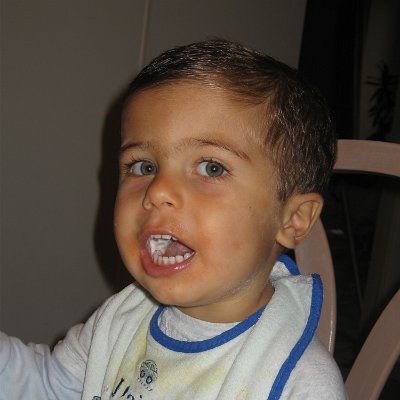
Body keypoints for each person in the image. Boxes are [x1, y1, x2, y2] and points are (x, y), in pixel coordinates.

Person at [0, 39, 347, 399]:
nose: (158, 190)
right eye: (143, 166)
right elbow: (52, 386)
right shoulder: (123, 319)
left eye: (211, 168)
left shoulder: (299, 383)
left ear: (293, 220)